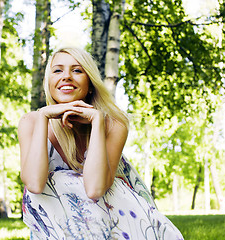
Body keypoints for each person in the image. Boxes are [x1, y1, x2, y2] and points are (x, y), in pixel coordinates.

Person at [18, 47, 184, 239]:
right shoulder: (31, 122)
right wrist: (45, 115)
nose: (66, 77)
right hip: (58, 220)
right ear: (49, 83)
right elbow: (34, 185)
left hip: (112, 212)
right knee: (54, 181)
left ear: (90, 84)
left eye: (77, 70)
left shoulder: (114, 123)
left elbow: (95, 189)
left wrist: (97, 121)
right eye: (57, 70)